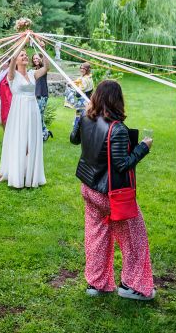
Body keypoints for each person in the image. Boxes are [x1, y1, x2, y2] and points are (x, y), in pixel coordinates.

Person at [70, 80, 155, 300]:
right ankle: (133, 286)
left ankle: (96, 284)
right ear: (117, 100)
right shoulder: (116, 129)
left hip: (89, 188)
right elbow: (122, 165)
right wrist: (143, 147)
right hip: (111, 195)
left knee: (97, 235)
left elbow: (73, 139)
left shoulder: (84, 118)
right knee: (134, 238)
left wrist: (78, 119)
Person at [0, 42, 48, 188]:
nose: (25, 56)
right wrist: (23, 42)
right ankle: (17, 174)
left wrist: (42, 50)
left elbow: (46, 67)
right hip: (19, 111)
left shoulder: (32, 74)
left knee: (31, 140)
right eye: (22, 55)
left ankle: (29, 173)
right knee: (20, 140)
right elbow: (12, 59)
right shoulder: (12, 75)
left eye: (26, 54)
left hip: (32, 110)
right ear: (17, 60)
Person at [32, 53, 52, 140]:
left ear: (41, 59)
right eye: (34, 59)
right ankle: (45, 132)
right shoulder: (34, 70)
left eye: (37, 58)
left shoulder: (43, 69)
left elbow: (47, 64)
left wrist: (43, 50)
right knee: (37, 115)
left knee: (39, 115)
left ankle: (44, 133)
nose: (35, 60)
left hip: (42, 95)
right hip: (36, 95)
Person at [0, 61, 12, 129]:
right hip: (0, 99)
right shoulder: (1, 74)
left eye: (6, 62)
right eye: (2, 62)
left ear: (9, 64)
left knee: (6, 119)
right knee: (1, 120)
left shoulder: (9, 73)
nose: (3, 63)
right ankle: (6, 137)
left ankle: (9, 137)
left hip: (7, 99)